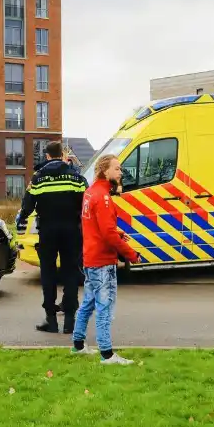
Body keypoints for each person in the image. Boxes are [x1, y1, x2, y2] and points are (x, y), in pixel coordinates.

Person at [72, 153, 141, 364]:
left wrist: (117, 232)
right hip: (102, 261)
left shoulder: (90, 193)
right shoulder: (103, 197)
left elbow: (96, 226)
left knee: (88, 303)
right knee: (105, 306)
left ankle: (78, 345)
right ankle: (107, 354)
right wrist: (131, 254)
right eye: (118, 168)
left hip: (90, 257)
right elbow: (107, 234)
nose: (121, 173)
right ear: (105, 171)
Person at [15, 141, 88, 334]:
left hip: (47, 231)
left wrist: (21, 217)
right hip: (72, 230)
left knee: (48, 273)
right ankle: (71, 322)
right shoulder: (76, 177)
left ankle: (51, 320)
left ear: (47, 156)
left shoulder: (38, 178)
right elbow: (86, 204)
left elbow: (27, 207)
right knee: (70, 272)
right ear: (63, 154)